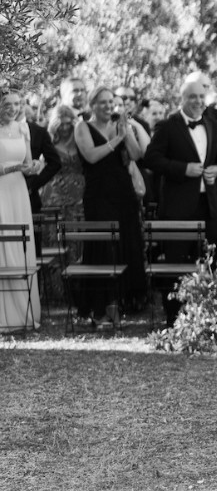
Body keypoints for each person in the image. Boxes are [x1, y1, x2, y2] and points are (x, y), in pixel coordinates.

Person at [144, 76, 217, 323]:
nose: (197, 101)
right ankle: (174, 317)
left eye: (200, 97)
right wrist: (182, 169)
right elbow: (151, 159)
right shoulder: (167, 126)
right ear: (181, 99)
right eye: (192, 97)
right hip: (177, 207)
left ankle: (208, 313)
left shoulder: (214, 125)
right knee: (176, 260)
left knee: (210, 259)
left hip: (209, 205)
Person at [74, 84, 148, 322]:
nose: (108, 106)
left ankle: (124, 300)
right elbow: (91, 156)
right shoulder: (82, 127)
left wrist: (127, 134)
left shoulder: (120, 126)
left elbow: (137, 155)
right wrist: (116, 140)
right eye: (103, 102)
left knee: (128, 241)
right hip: (98, 193)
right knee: (103, 246)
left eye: (111, 102)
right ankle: (101, 304)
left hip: (123, 191)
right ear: (92, 104)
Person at [0, 90, 41, 331]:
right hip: (2, 190)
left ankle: (23, 313)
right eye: (8, 103)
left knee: (21, 242)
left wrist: (34, 166)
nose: (13, 108)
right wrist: (15, 167)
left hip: (18, 191)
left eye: (17, 104)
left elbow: (29, 162)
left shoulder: (23, 129)